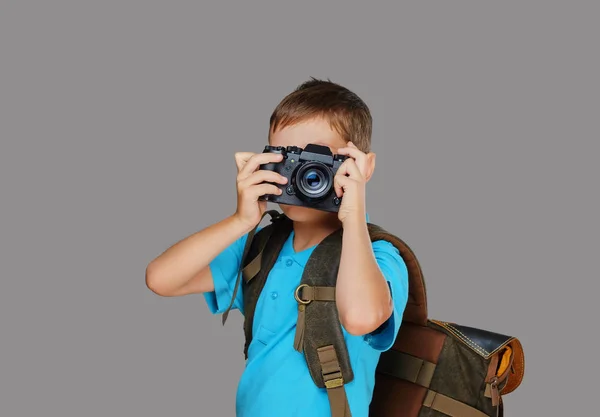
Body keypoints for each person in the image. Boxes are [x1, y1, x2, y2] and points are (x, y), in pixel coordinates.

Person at [145, 78, 409, 417]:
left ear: (363, 166)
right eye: (285, 158)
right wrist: (241, 220)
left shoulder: (378, 255)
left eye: (318, 163)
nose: (301, 177)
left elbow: (360, 318)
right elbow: (160, 279)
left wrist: (354, 216)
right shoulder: (262, 247)